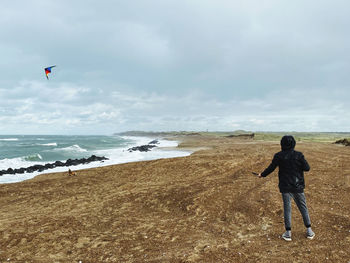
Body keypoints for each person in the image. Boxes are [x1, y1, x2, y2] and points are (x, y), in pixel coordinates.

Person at [257, 135, 315, 241]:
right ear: (293, 143)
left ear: (282, 144)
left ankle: (288, 233)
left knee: (287, 209)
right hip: (298, 187)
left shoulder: (278, 156)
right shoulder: (299, 155)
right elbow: (307, 168)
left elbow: (271, 168)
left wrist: (262, 174)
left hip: (285, 187)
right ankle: (309, 231)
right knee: (303, 208)